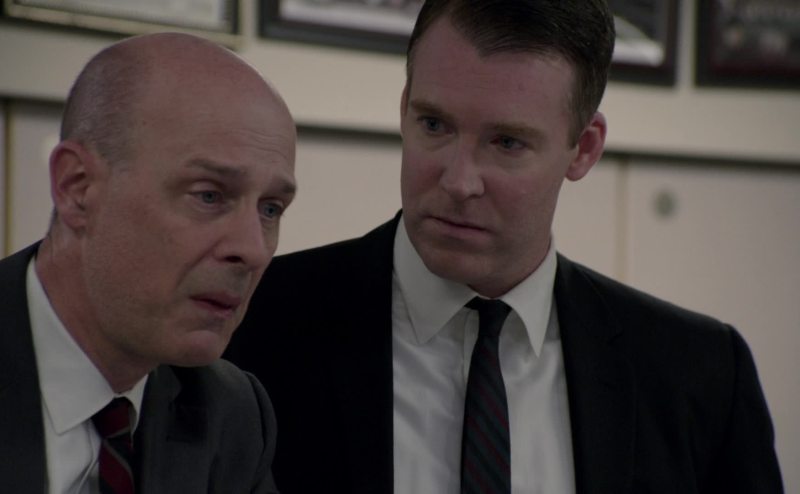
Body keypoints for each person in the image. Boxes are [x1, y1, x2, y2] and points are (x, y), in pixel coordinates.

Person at [225, 1, 783, 493]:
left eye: (507, 142)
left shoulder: (698, 374)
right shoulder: (251, 322)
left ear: (584, 149)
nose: (458, 181)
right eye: (434, 125)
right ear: (404, 108)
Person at [0, 32, 297, 493]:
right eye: (209, 195)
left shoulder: (230, 410)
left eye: (271, 209)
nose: (254, 249)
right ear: (78, 188)